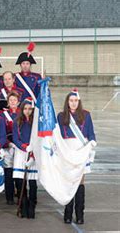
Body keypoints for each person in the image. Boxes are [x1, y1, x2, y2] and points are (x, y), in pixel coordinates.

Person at [57, 89, 96, 225]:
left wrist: (92, 143)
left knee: (80, 183)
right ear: (67, 102)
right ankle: (67, 214)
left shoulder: (86, 115)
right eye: (71, 101)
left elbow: (91, 134)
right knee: (68, 183)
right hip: (67, 152)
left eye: (75, 101)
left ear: (78, 102)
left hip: (81, 151)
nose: (73, 103)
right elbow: (58, 136)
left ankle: (80, 214)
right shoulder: (61, 116)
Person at [12, 98, 38, 219]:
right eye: (25, 109)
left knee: (32, 182)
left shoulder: (36, 123)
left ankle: (32, 206)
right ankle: (23, 205)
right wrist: (24, 146)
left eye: (30, 109)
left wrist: (32, 149)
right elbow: (16, 139)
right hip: (21, 152)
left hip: (33, 153)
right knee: (20, 181)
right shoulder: (17, 121)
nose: (27, 111)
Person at [0, 91, 21, 205]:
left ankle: (20, 195)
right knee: (8, 172)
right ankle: (9, 197)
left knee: (19, 171)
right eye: (10, 100)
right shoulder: (3, 115)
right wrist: (8, 143)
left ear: (18, 102)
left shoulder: (22, 114)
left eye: (15, 100)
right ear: (8, 102)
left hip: (20, 147)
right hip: (8, 146)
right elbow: (1, 132)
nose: (13, 102)